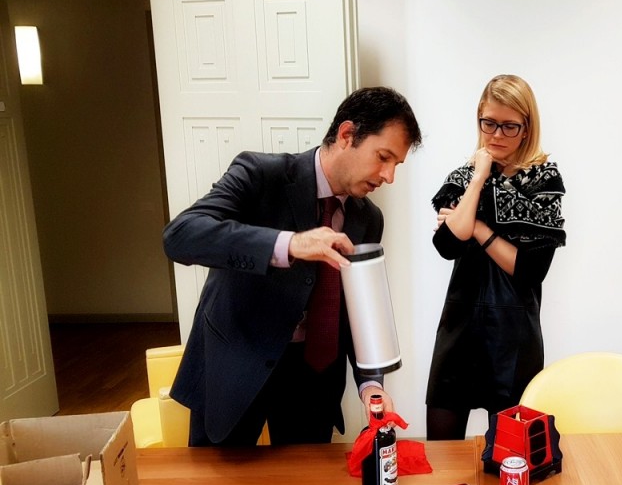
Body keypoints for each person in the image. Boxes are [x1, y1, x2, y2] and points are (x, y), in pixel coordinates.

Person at [163, 86, 422, 446]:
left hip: (313, 380)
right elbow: (180, 235)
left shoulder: (368, 218)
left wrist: (370, 384)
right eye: (383, 157)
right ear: (347, 135)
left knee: (306, 482)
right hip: (236, 365)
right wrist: (290, 244)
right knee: (219, 481)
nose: (389, 176)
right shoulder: (259, 174)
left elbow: (356, 309)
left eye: (397, 165)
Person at [425, 74, 566, 440]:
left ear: (526, 127)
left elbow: (529, 270)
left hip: (513, 338)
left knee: (510, 456)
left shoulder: (543, 183)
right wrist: (478, 178)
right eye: (489, 123)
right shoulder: (463, 178)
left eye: (509, 126)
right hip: (459, 329)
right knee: (441, 452)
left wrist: (477, 227)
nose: (497, 135)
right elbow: (447, 245)